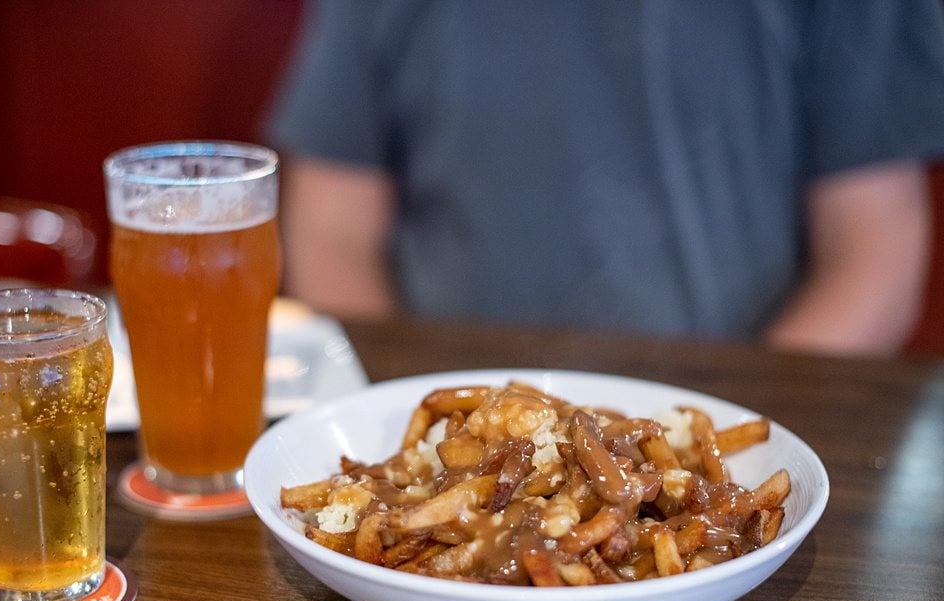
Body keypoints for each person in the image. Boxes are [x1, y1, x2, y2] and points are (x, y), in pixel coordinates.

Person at [266, 0, 944, 356]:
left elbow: (875, 257)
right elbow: (332, 228)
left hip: (731, 434)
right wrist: (402, 419)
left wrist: (725, 442)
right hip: (440, 434)